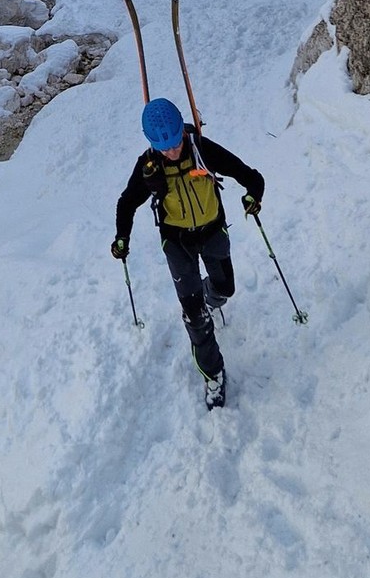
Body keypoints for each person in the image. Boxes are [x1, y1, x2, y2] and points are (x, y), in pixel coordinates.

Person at [111, 97, 264, 410]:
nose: (172, 151)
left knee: (225, 288)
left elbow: (246, 173)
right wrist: (122, 237)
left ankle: (212, 298)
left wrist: (253, 195)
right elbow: (127, 202)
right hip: (177, 240)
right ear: (153, 143)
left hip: (212, 230)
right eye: (164, 147)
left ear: (182, 130)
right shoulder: (149, 167)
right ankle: (213, 375)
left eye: (175, 143)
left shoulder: (201, 150)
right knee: (194, 317)